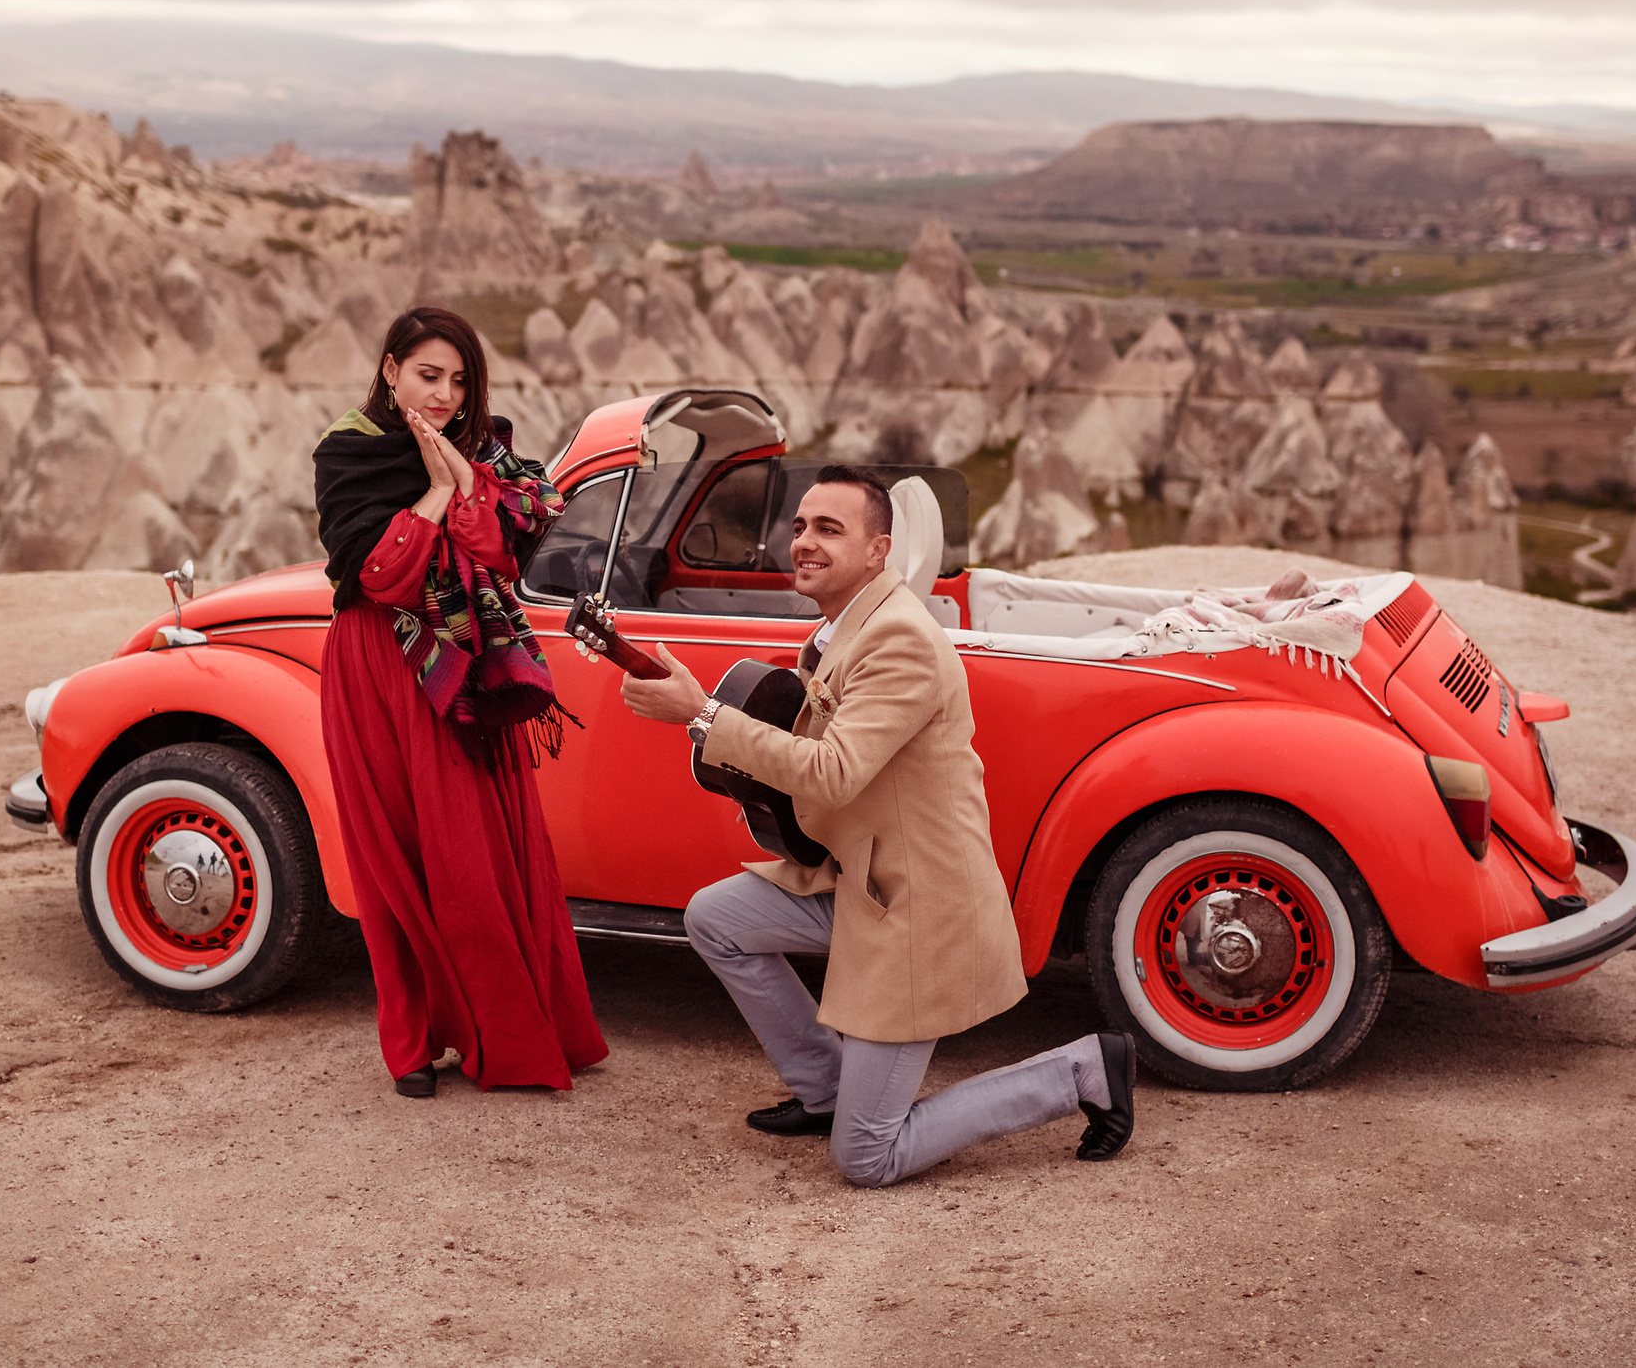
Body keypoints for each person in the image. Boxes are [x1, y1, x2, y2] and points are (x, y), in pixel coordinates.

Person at [618, 465, 1135, 1186]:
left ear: (877, 550)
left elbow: (833, 771)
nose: (805, 541)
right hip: (861, 880)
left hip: (918, 910)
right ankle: (827, 1090)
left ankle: (1081, 1071)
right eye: (800, 525)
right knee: (717, 918)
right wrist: (699, 711)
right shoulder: (840, 628)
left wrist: (702, 714)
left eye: (829, 529)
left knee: (866, 1157)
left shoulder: (900, 640)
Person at [312, 305, 607, 1098]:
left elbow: (513, 542)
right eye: (427, 375)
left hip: (463, 663)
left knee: (477, 856)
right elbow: (379, 576)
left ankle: (508, 1032)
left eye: (458, 380)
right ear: (390, 370)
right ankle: (411, 1043)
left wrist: (466, 477)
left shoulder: (486, 448)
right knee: (394, 856)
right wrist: (441, 490)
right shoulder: (349, 453)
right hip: (379, 665)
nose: (443, 394)